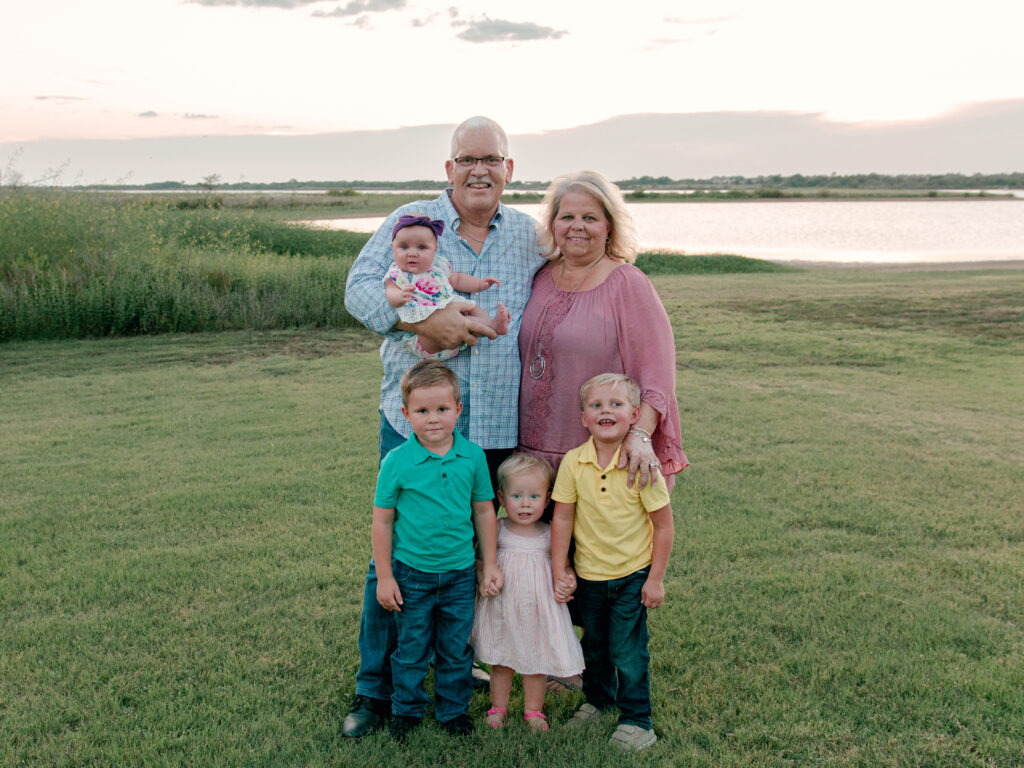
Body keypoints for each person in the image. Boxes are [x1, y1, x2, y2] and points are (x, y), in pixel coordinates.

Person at [343, 116, 546, 738]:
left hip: (496, 432)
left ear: (510, 170)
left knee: (482, 558)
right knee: (396, 563)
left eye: (492, 159)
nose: (479, 170)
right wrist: (416, 325)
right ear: (448, 167)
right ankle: (374, 693)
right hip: (418, 431)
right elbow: (359, 291)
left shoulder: (531, 236)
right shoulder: (412, 221)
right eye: (467, 159)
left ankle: (472, 673)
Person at [517, 169, 687, 488]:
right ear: (553, 224)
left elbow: (657, 377)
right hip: (532, 464)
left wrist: (639, 436)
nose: (577, 226)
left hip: (601, 460)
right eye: (567, 216)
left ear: (608, 226)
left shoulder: (627, 284)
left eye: (590, 218)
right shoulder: (538, 278)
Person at [371, 360, 503, 740]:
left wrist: (488, 562)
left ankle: (452, 711)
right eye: (422, 411)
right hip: (412, 574)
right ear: (405, 414)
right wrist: (384, 577)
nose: (433, 419)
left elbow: (483, 511)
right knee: (411, 648)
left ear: (458, 410)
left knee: (455, 648)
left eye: (442, 409)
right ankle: (407, 711)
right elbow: (383, 521)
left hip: (461, 575)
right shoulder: (397, 462)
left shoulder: (473, 456)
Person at [550, 373, 674, 752]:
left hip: (631, 576)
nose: (606, 411)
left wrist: (655, 580)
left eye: (616, 404)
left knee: (628, 650)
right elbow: (563, 518)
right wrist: (561, 568)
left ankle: (638, 720)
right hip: (589, 576)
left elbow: (663, 526)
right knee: (595, 646)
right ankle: (599, 701)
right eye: (596, 405)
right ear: (583, 418)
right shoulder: (574, 462)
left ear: (635, 415)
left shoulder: (642, 464)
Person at [471, 454, 584, 732]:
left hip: (538, 611)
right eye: (517, 495)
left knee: (536, 662)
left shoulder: (550, 534)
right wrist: (484, 574)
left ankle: (533, 711)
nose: (524, 503)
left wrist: (568, 581)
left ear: (547, 500)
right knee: (501, 660)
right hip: (503, 609)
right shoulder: (496, 530)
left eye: (534, 497)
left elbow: (565, 567)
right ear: (501, 496)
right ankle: (498, 707)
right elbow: (480, 561)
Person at [385, 213, 510, 360]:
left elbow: (457, 279)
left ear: (435, 249)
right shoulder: (397, 273)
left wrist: (479, 284)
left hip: (451, 314)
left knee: (473, 308)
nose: (412, 253)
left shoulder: (438, 265)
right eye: (404, 247)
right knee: (458, 322)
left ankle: (492, 324)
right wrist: (398, 297)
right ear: (392, 247)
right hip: (424, 335)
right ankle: (490, 326)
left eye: (421, 247)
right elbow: (390, 291)